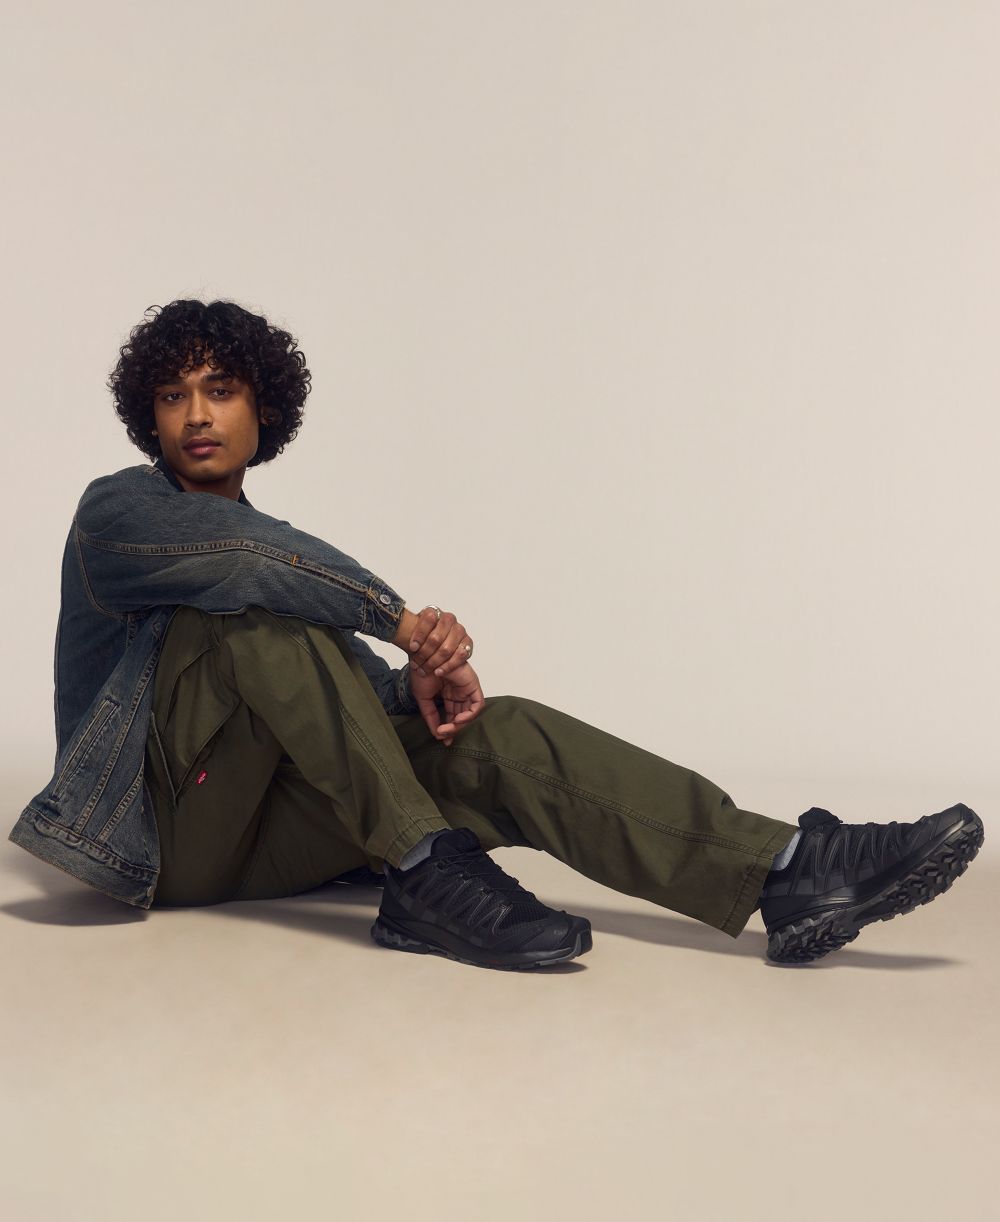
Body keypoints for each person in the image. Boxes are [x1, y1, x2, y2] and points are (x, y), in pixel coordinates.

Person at [9, 299, 984, 973]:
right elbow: (245, 562)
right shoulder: (119, 515)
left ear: (263, 411)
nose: (194, 414)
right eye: (172, 396)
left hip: (266, 832)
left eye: (218, 389)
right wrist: (404, 623)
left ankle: (785, 870)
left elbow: (328, 697)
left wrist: (414, 683)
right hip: (162, 838)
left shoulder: (280, 558)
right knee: (257, 610)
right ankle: (425, 871)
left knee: (494, 734)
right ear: (148, 418)